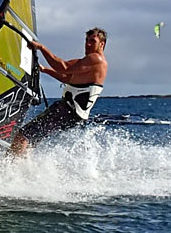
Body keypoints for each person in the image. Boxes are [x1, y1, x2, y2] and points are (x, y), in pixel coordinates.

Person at [10, 27, 108, 156]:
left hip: (67, 111)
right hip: (72, 115)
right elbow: (65, 77)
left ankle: (6, 169)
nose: (88, 44)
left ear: (102, 44)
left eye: (92, 41)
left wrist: (42, 48)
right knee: (31, 140)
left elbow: (64, 68)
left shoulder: (96, 59)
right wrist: (44, 69)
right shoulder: (90, 63)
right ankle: (24, 170)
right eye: (86, 40)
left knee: (23, 136)